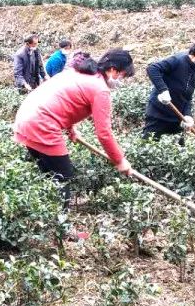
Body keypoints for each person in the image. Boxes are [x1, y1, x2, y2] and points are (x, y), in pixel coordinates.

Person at [14, 49, 135, 205]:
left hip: (25, 117)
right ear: (113, 70)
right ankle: (59, 224)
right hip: (41, 124)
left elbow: (62, 100)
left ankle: (42, 216)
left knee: (49, 175)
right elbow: (104, 133)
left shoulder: (78, 72)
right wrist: (120, 160)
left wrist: (71, 128)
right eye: (123, 76)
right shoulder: (100, 90)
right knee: (63, 177)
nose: (121, 80)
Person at [142, 38, 195, 143]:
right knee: (148, 145)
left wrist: (188, 115)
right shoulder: (178, 60)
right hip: (157, 115)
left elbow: (187, 99)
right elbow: (153, 69)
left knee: (178, 152)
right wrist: (163, 90)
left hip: (176, 119)